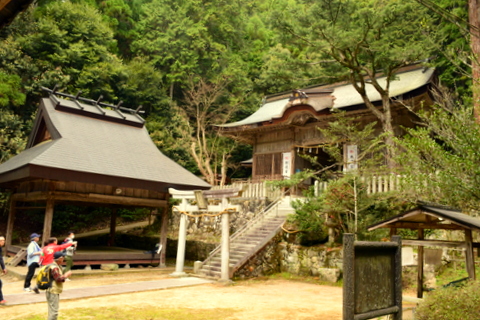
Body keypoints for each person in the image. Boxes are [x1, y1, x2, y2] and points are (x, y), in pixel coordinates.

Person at [45, 251, 72, 320]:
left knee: (51, 311)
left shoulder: (53, 265)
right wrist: (66, 275)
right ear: (59, 258)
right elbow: (58, 279)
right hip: (53, 291)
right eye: (62, 257)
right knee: (54, 312)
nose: (63, 258)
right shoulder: (54, 267)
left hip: (50, 290)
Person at [0, 236, 8, 305]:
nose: (3, 242)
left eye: (3, 240)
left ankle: (1, 299)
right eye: (2, 240)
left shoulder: (0, 248)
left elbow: (0, 258)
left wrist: (3, 267)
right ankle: (1, 299)